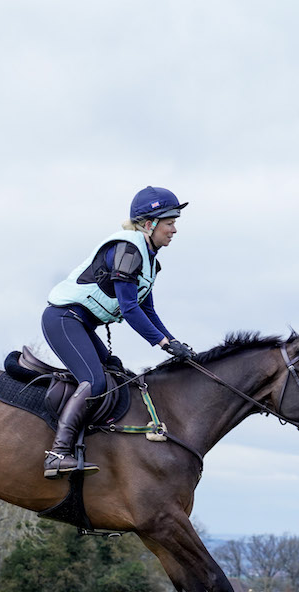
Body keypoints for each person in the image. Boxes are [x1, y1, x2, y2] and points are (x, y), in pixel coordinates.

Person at [40, 186, 194, 479]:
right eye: (170, 222)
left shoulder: (149, 259)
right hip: (63, 318)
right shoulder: (129, 250)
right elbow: (130, 308)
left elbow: (147, 309)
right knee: (95, 382)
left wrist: (173, 341)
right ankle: (58, 454)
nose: (174, 229)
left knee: (115, 372)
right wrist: (162, 343)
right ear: (149, 224)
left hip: (79, 323)